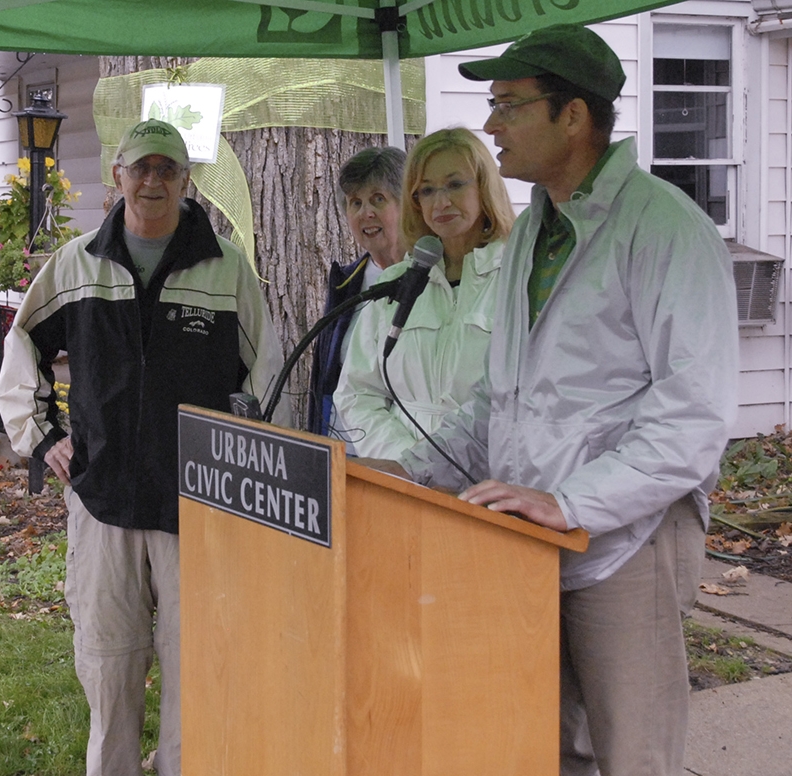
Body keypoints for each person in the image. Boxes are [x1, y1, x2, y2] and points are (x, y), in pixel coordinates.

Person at [376, 25, 736, 776]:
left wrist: (571, 502)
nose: (492, 126)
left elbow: (693, 416)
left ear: (573, 116)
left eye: (509, 105)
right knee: (543, 746)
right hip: (528, 545)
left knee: (633, 751)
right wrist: (405, 478)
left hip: (625, 542)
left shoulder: (666, 229)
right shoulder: (535, 228)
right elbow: (496, 395)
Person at [0, 119, 284, 776]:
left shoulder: (226, 271)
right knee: (107, 660)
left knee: (196, 662)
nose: (153, 180)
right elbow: (22, 349)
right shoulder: (76, 264)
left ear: (186, 182)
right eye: (141, 167)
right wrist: (44, 440)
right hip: (102, 498)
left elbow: (265, 379)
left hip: (198, 504)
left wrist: (246, 469)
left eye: (168, 169)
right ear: (118, 176)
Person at [333, 128, 513, 459]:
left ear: (484, 186)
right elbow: (356, 393)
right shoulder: (397, 281)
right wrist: (409, 463)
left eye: (455, 185)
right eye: (426, 191)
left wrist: (453, 467)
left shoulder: (516, 277)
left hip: (488, 479)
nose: (441, 202)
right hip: (405, 483)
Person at [307, 145, 407, 437]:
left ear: (407, 204)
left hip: (403, 456)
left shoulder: (432, 277)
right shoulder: (345, 282)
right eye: (355, 203)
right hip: (342, 452)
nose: (367, 213)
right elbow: (325, 381)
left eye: (378, 199)